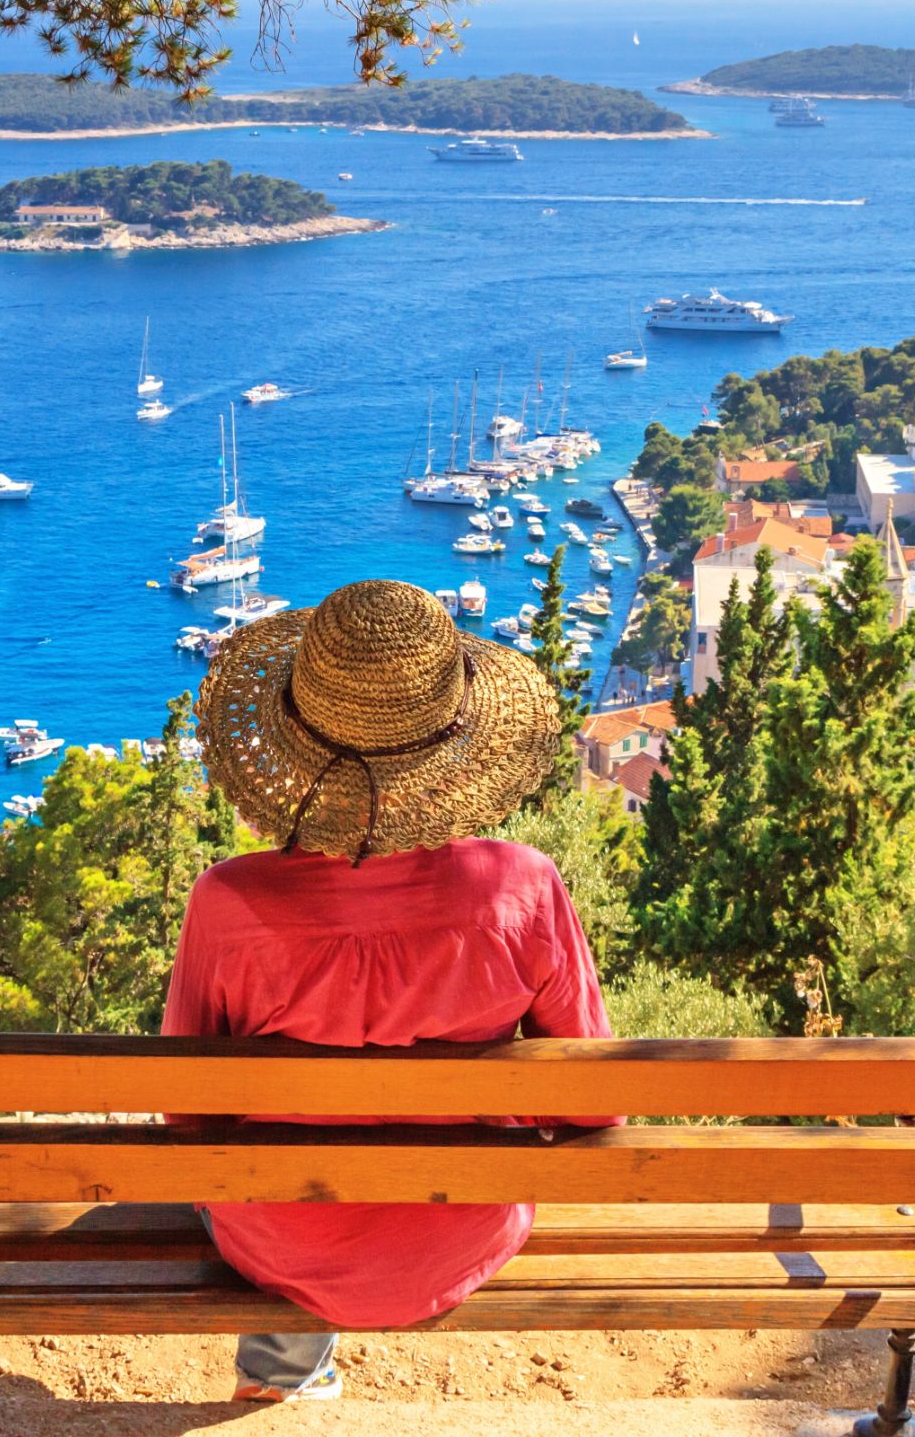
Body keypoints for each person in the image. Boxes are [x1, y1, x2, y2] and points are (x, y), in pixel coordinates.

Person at [165, 578, 616, 1402]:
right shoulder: (519, 889)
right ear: (458, 742)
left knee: (265, 1181)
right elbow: (593, 1100)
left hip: (280, 1240)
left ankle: (282, 1374)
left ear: (289, 737)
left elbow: (186, 1113)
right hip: (464, 1228)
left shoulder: (229, 904)